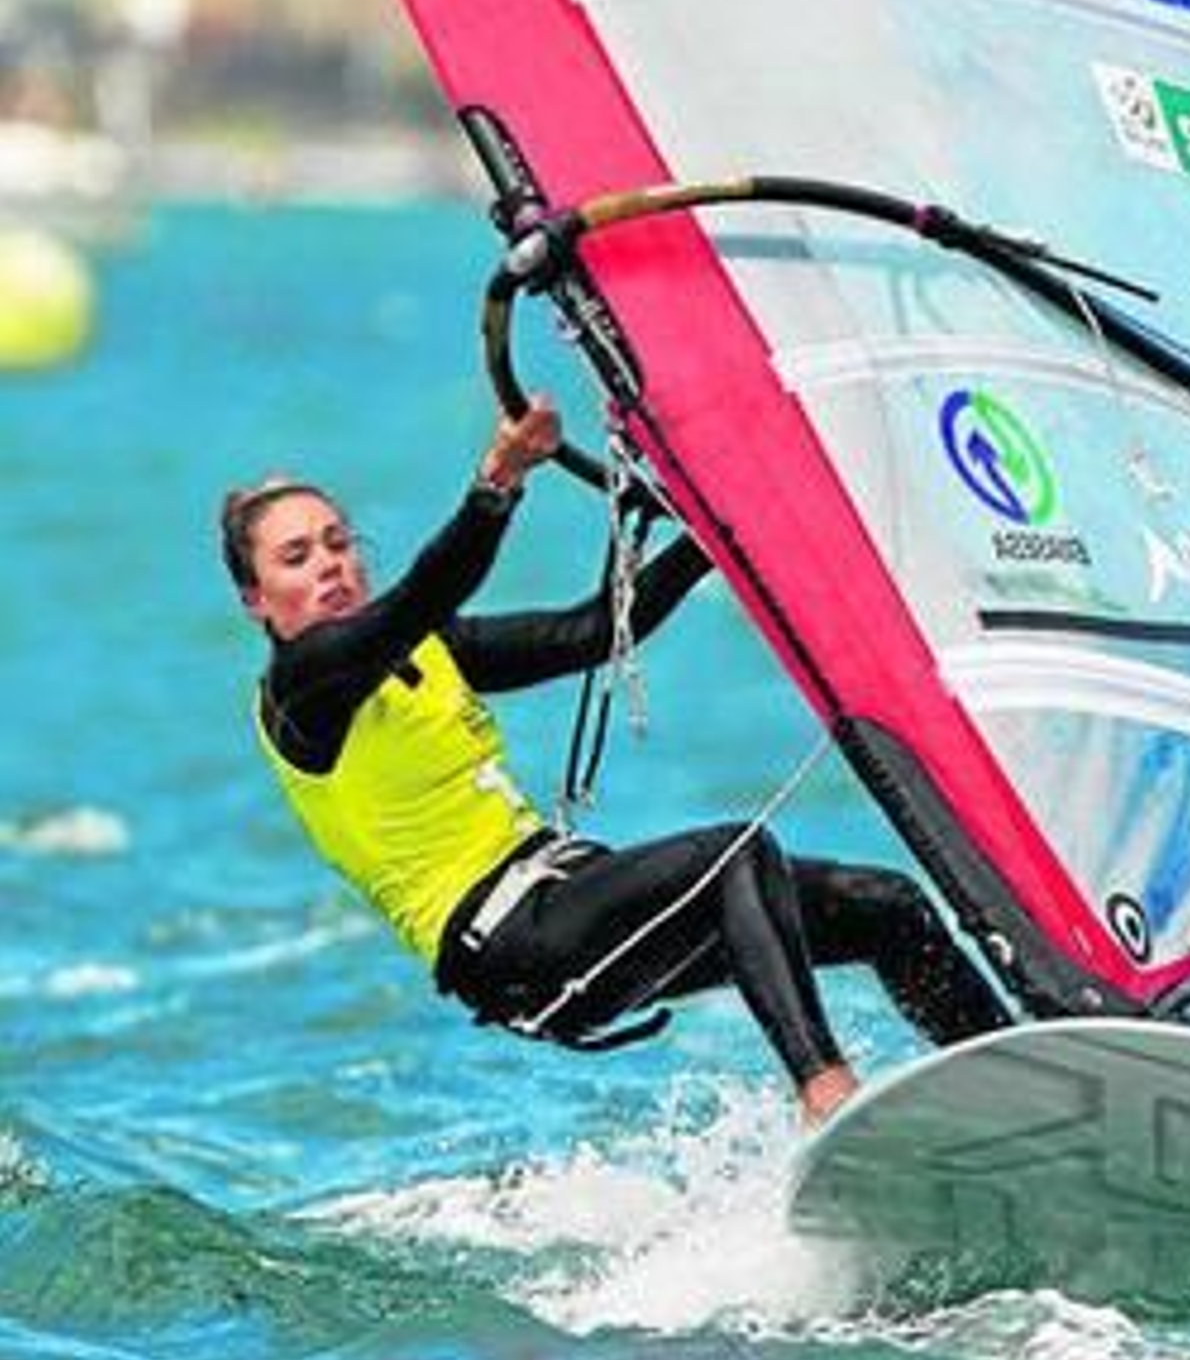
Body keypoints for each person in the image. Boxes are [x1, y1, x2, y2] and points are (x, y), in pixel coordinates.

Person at [220, 396, 1010, 1125]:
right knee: (734, 855)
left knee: (885, 906)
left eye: (338, 543)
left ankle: (1020, 1093)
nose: (329, 564)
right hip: (508, 946)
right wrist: (499, 481)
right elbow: (425, 593)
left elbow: (592, 631)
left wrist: (714, 532)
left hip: (564, 898)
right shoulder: (301, 690)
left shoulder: (429, 651)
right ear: (256, 600)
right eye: (296, 557)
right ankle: (826, 1095)